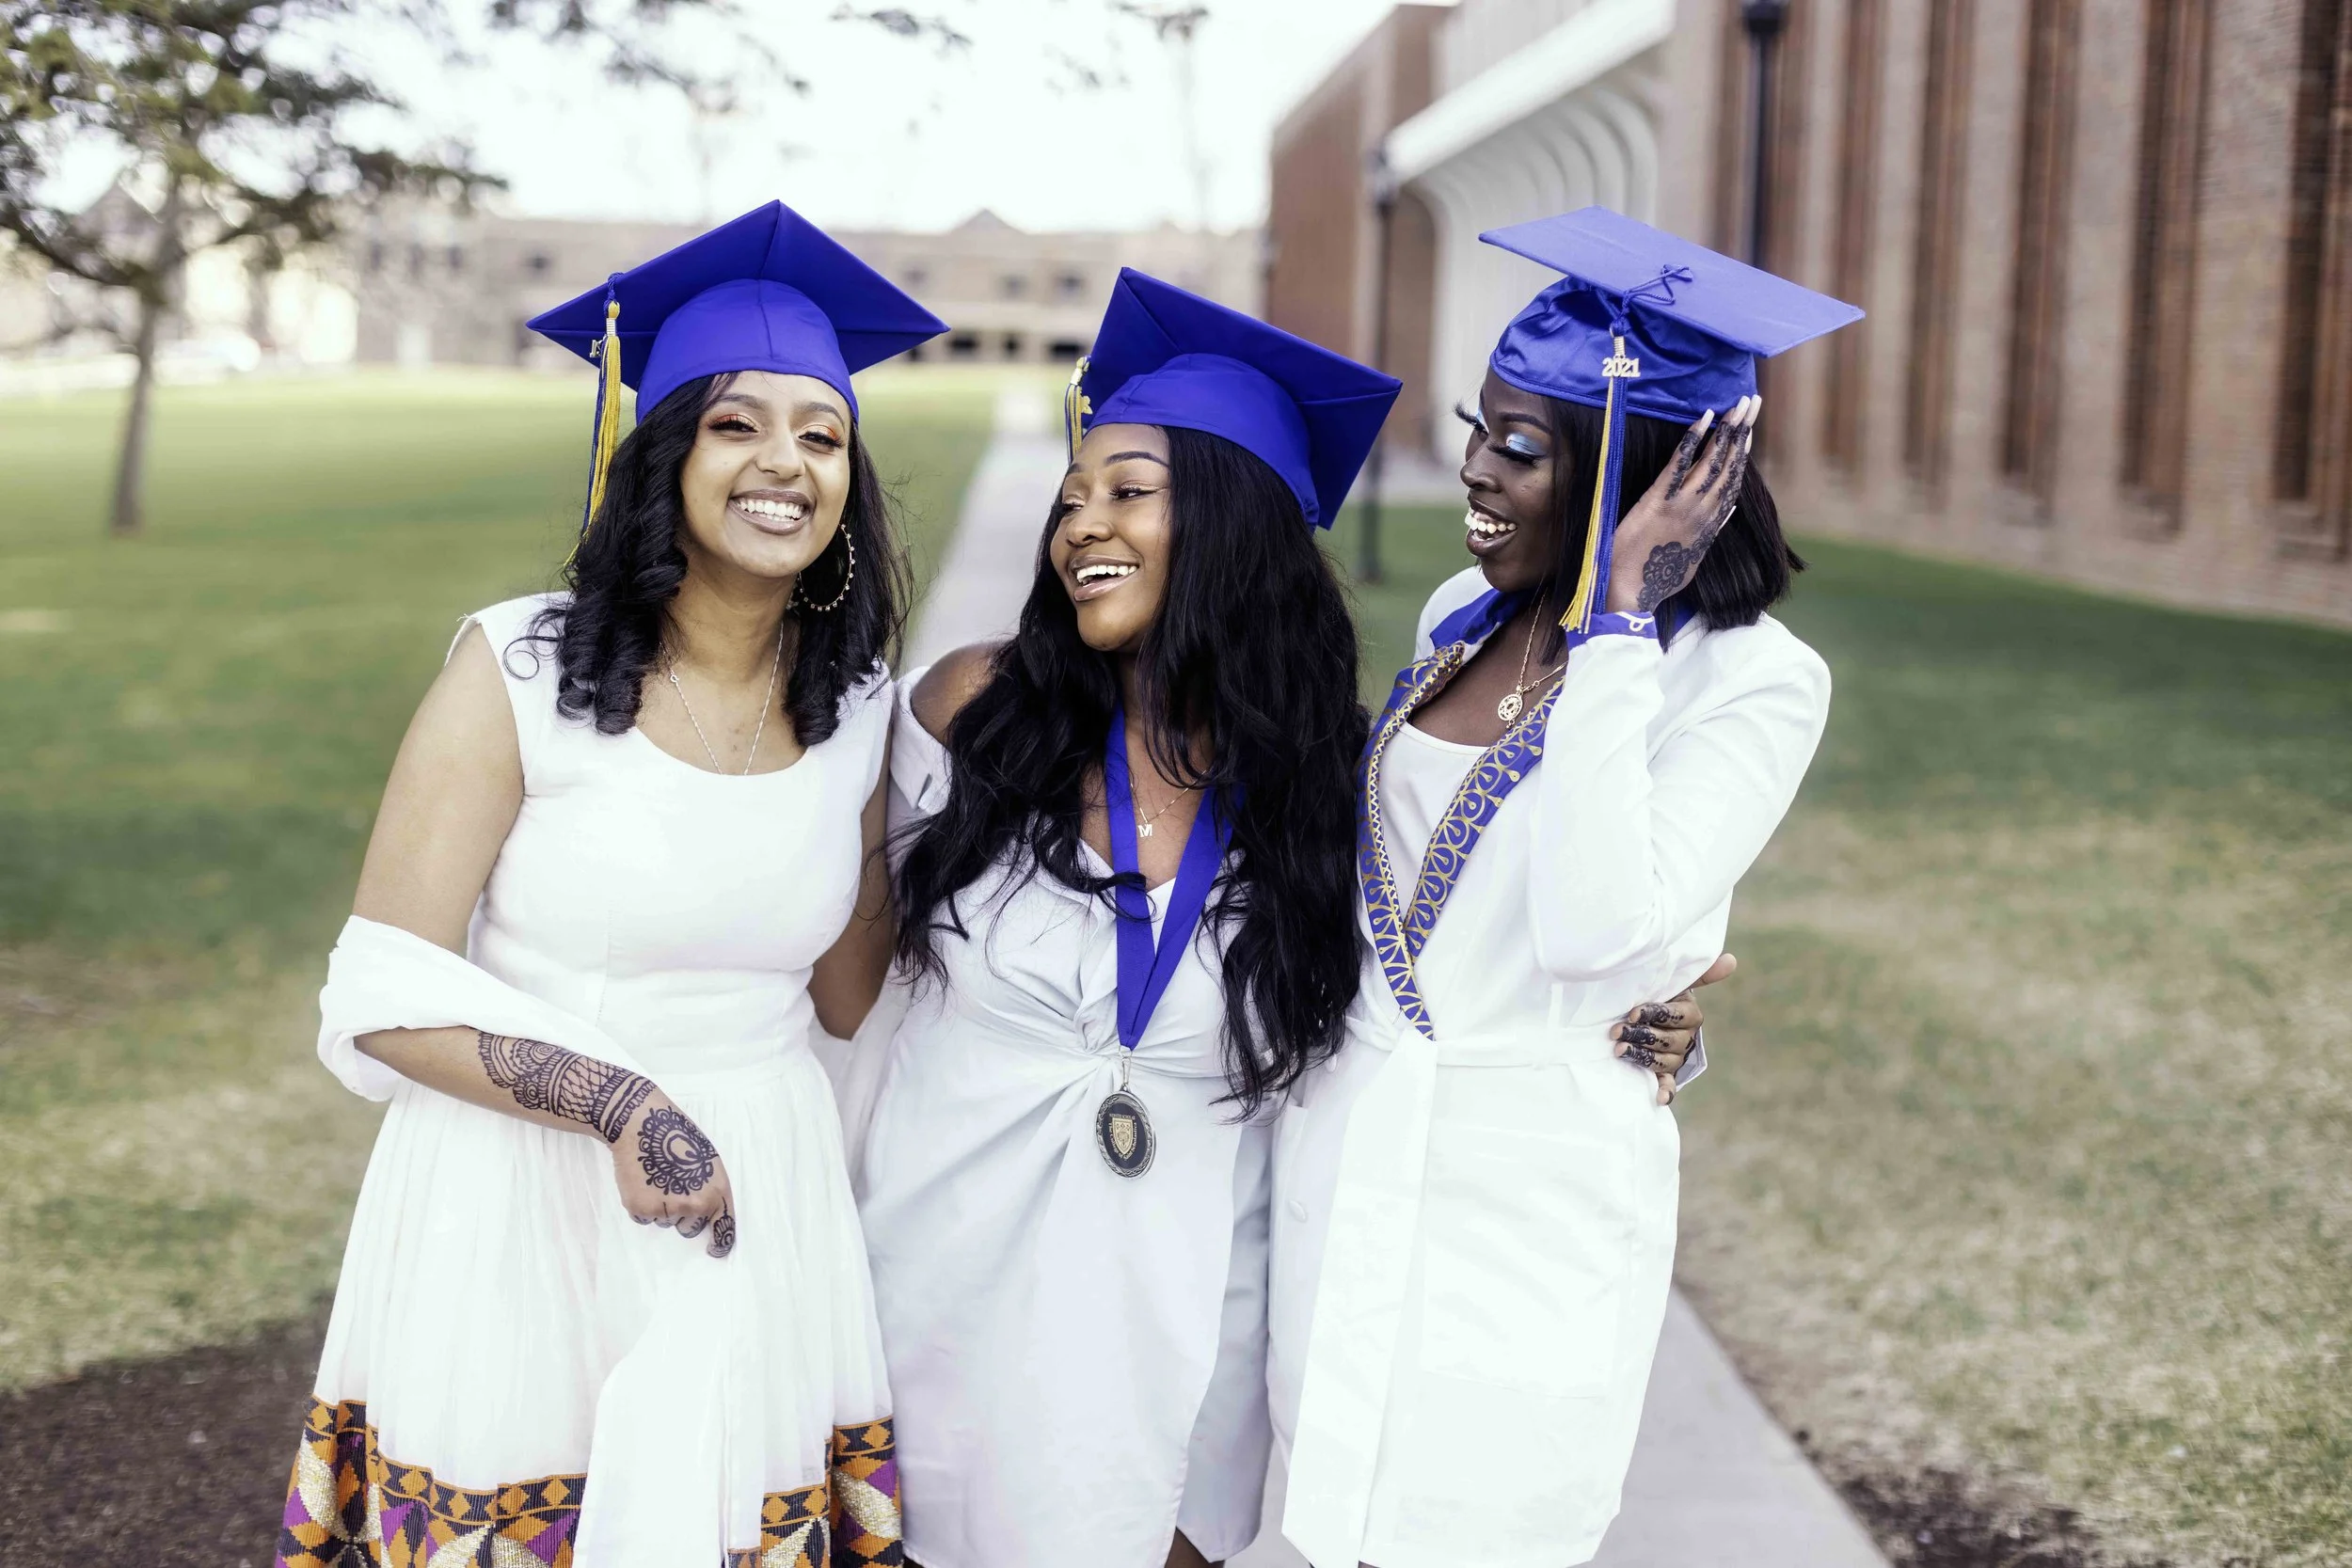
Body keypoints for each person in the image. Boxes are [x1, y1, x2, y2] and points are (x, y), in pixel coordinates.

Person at [273, 201, 944, 1568]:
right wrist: (623, 1102)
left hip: (760, 1189)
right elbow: (379, 992)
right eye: (737, 424)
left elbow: (857, 988)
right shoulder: (518, 671)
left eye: (823, 434)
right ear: (662, 456)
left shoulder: (860, 706)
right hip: (520, 1182)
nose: (786, 463)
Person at [1270, 207, 1862, 1568]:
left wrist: (1618, 624)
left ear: (1637, 474)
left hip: (1524, 1205)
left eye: (1523, 449)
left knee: (1471, 1530)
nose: (1475, 471)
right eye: (1480, 429)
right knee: (1334, 1521)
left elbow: (1599, 934)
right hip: (1357, 1163)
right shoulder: (1454, 618)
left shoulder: (1754, 681)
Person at [852, 271, 1394, 1568]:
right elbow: (783, 886)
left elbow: (1464, 982)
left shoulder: (1329, 792)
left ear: (1229, 523)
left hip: (1176, 1346)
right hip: (935, 1314)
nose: (1081, 524)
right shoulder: (968, 711)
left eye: (1128, 491)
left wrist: (1655, 1012)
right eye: (1072, 496)